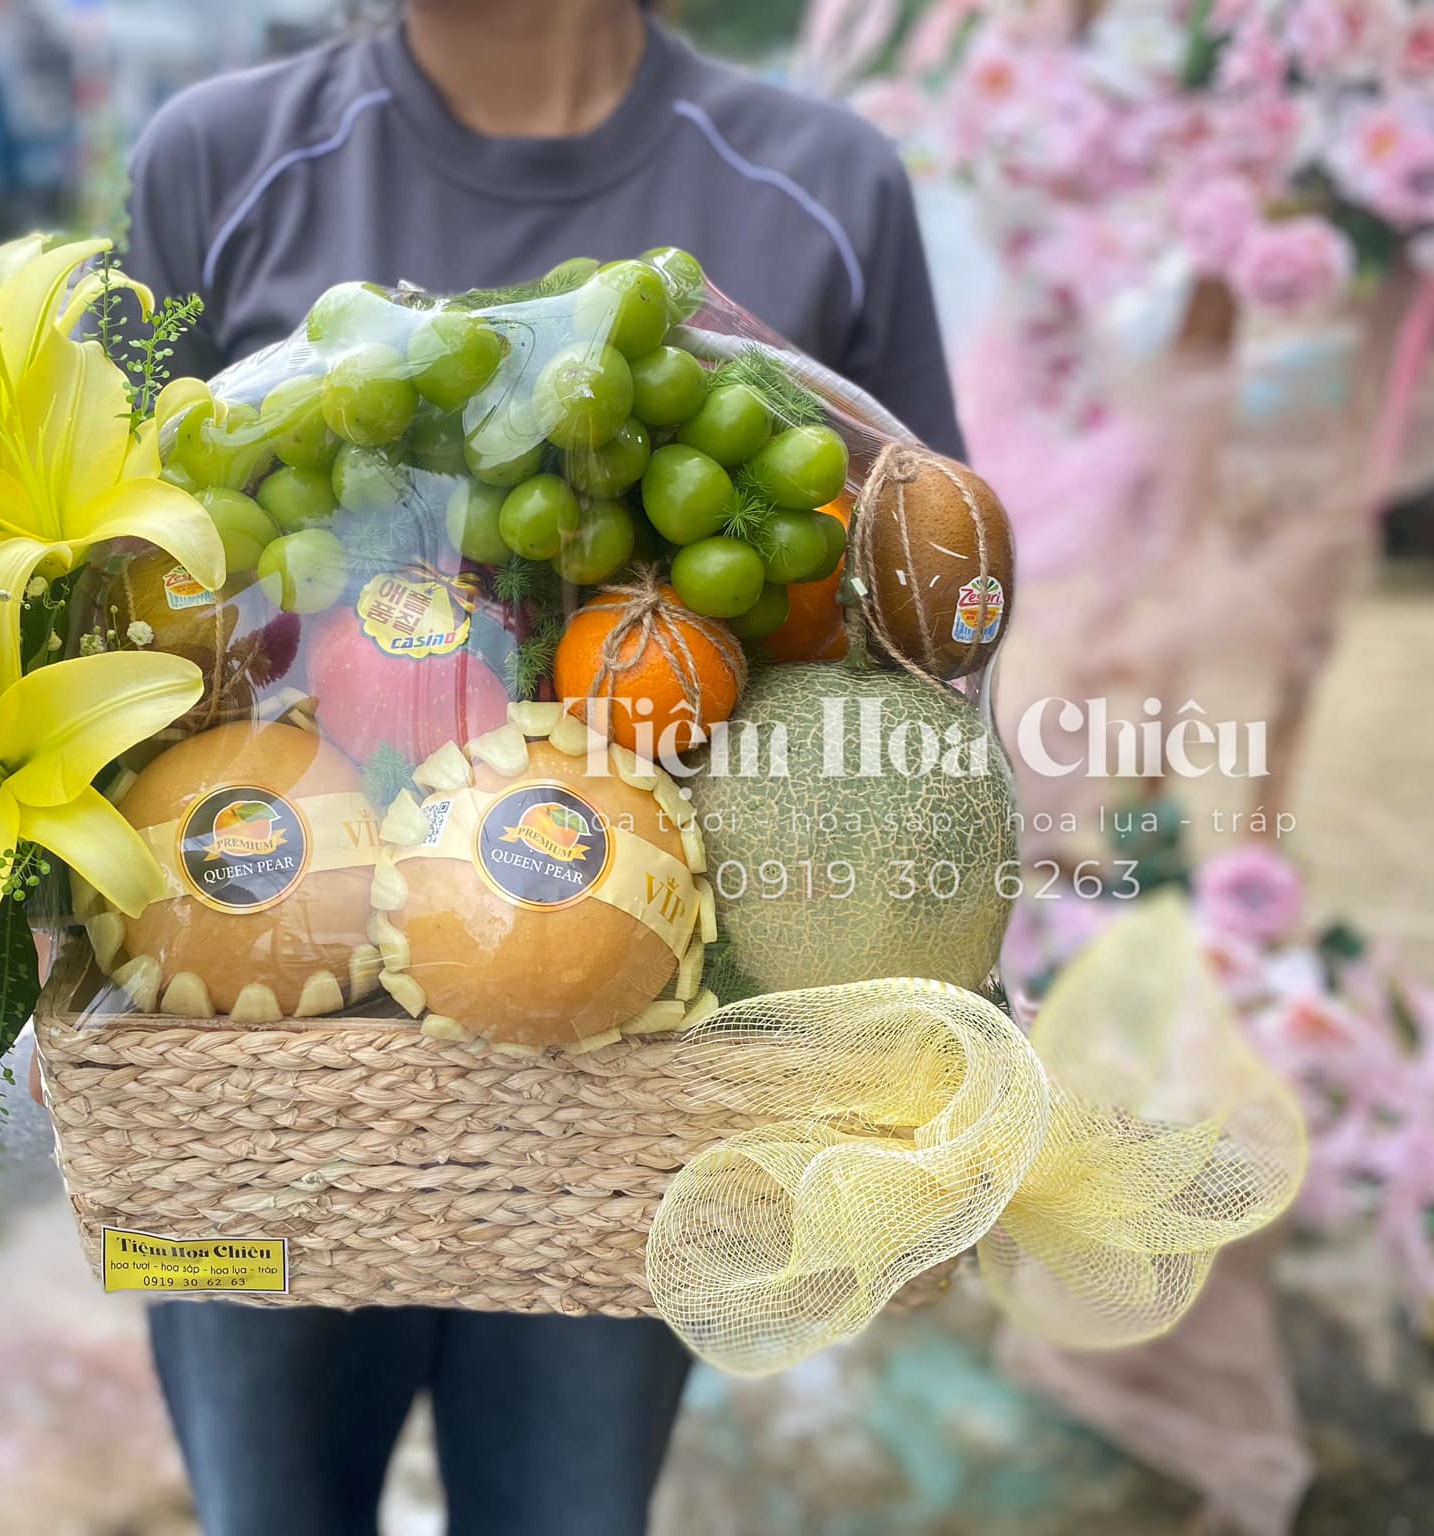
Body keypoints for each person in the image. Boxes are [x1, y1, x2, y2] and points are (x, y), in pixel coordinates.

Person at [105, 3, 966, 1532]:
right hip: (263, 1058)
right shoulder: (218, 160)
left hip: (633, 1064)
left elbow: (933, 627)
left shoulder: (824, 183)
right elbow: (98, 593)